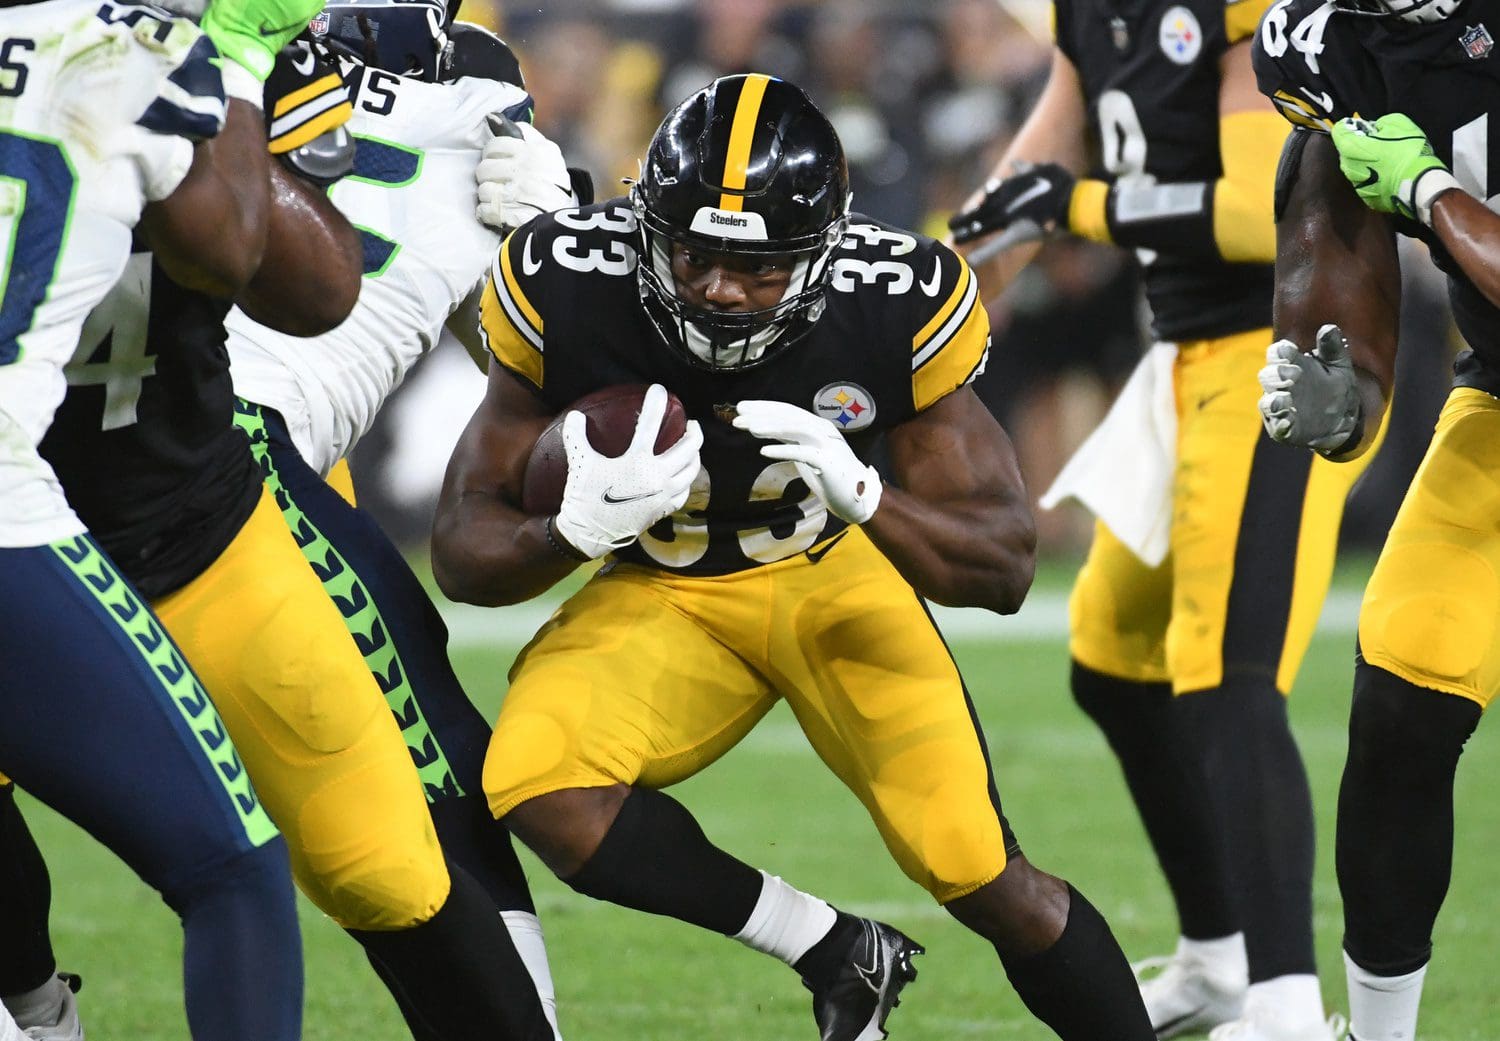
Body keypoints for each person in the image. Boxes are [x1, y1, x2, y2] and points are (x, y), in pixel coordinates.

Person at [433, 72, 1159, 1041]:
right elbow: (461, 549)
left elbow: (1003, 565)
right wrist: (565, 532)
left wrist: (870, 496)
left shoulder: (892, 302)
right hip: (666, 588)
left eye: (759, 268)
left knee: (979, 870)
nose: (720, 290)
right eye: (695, 256)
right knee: (538, 780)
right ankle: (830, 947)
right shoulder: (568, 278)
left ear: (823, 255)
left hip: (830, 579)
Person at [36, 4, 553, 1038]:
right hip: (24, 511)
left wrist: (222, 83)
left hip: (196, 512)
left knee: (378, 863)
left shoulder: (229, 48)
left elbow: (315, 289)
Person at [945, 0, 1380, 1033]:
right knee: (1111, 662)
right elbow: (1021, 194)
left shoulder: (1239, 13)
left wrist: (1083, 206)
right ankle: (1218, 956)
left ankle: (1285, 1004)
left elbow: (1256, 213)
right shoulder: (1091, 17)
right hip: (1182, 360)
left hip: (1291, 361)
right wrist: (891, 316)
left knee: (1228, 677)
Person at [225, 10, 583, 1036]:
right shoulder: (226, 39)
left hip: (249, 443)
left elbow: (517, 357)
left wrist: (554, 245)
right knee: (411, 766)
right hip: (216, 430)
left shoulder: (481, 80)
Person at [0, 0, 324, 1036]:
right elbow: (226, 251)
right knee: (234, 873)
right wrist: (239, 61)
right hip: (7, 511)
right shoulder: (131, 48)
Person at [1253, 2, 1500, 1036]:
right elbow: (1340, 262)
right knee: (1403, 686)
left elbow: (1419, 189)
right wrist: (1340, 396)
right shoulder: (1330, 46)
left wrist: (1432, 190)